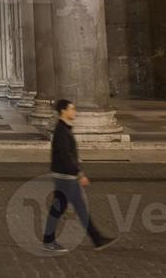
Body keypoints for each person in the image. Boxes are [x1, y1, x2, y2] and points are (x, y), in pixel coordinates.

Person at [40, 99, 118, 254]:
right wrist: (78, 173)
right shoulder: (62, 131)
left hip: (64, 176)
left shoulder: (64, 129)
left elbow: (69, 155)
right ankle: (96, 239)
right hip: (65, 177)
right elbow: (65, 156)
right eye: (72, 109)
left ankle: (50, 240)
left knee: (60, 208)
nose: (74, 111)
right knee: (77, 209)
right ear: (63, 111)